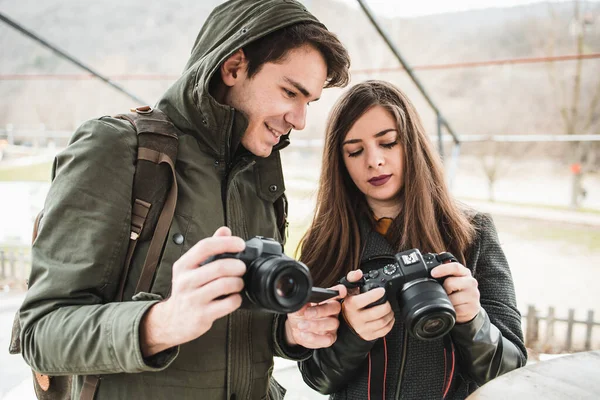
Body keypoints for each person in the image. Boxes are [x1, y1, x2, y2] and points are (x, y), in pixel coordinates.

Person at [18, 1, 350, 399]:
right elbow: (41, 333)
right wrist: (160, 323)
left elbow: (239, 328)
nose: (300, 119)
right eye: (289, 92)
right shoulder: (118, 149)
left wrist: (289, 331)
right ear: (234, 67)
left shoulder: (263, 178)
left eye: (309, 102)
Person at [297, 80, 527, 399]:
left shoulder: (473, 233)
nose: (373, 161)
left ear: (412, 143)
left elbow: (513, 372)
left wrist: (473, 321)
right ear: (340, 161)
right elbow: (315, 378)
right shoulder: (325, 242)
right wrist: (352, 335)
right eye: (355, 150)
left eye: (388, 143)